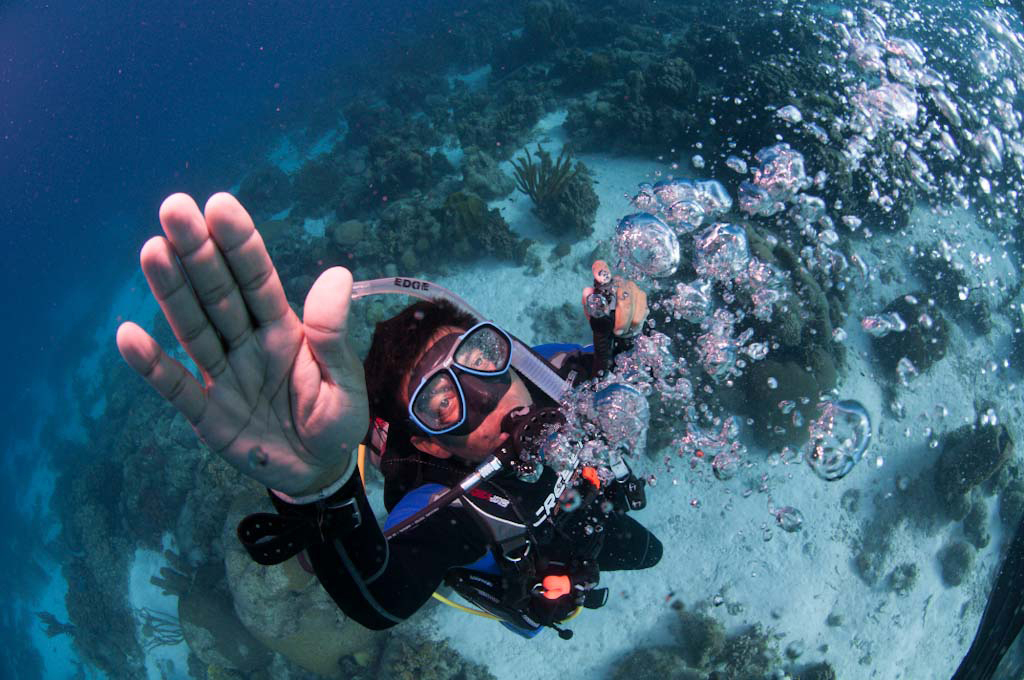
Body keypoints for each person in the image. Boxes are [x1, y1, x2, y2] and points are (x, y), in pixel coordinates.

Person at [117, 192, 661, 639]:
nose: (490, 395)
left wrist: (630, 334)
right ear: (432, 445)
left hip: (585, 520)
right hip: (524, 570)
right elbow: (382, 598)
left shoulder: (550, 374)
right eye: (444, 402)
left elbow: (636, 369)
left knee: (648, 552)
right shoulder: (448, 508)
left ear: (507, 350)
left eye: (480, 359)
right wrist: (319, 490)